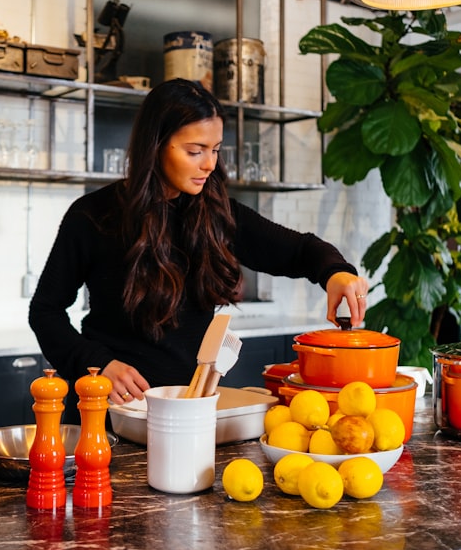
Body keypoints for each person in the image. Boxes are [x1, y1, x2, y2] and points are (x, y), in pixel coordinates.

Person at [29, 78, 369, 405]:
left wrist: (335, 272)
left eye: (215, 150)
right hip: (109, 410)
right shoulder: (92, 216)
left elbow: (300, 251)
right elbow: (45, 312)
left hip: (188, 410)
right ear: (156, 144)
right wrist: (99, 365)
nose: (209, 164)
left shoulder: (217, 214)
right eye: (195, 151)